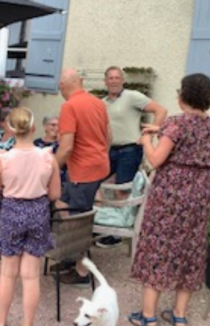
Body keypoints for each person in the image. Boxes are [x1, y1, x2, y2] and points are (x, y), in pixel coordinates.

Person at [128, 73, 210, 326]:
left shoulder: (176, 124)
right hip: (199, 196)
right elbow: (190, 137)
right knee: (190, 251)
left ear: (183, 95)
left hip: (170, 198)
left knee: (158, 250)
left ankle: (149, 317)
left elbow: (155, 159)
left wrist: (145, 140)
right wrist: (161, 129)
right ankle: (179, 316)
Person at [0, 107, 61, 326]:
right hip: (38, 212)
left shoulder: (3, 159)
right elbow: (55, 194)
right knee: (31, 275)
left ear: (10, 128)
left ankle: (1, 323)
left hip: (11, 211)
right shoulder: (48, 157)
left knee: (8, 274)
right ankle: (27, 324)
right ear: (34, 127)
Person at [55, 68, 111, 287]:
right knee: (64, 207)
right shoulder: (98, 102)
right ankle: (69, 257)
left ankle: (81, 273)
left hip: (82, 171)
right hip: (97, 167)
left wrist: (50, 168)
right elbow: (109, 137)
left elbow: (66, 146)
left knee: (79, 221)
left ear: (64, 85)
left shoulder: (69, 106)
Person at [99, 66, 167, 248]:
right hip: (109, 150)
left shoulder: (132, 96)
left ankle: (117, 234)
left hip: (129, 149)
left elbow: (161, 110)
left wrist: (149, 135)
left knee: (121, 190)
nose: (113, 81)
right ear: (105, 81)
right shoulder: (103, 102)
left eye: (117, 78)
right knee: (94, 183)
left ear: (123, 80)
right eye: (110, 78)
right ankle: (104, 224)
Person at [34, 115, 68, 184]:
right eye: (53, 125)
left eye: (58, 126)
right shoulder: (36, 143)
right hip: (41, 181)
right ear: (45, 127)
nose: (56, 128)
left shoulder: (63, 145)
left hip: (60, 181)